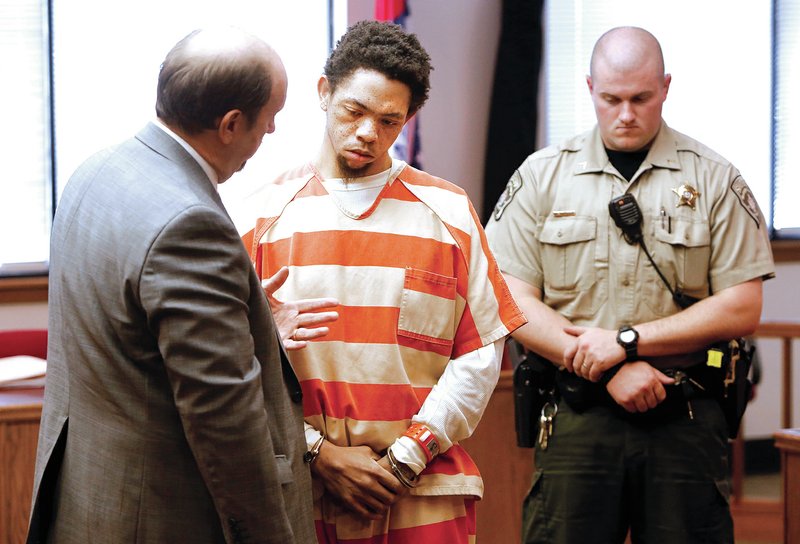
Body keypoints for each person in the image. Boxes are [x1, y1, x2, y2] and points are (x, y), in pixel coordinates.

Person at [27, 27, 319, 544]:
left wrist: (244, 328)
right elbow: (225, 426)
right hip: (163, 514)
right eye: (269, 120)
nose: (271, 133)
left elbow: (128, 334)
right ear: (230, 124)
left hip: (87, 495)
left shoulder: (97, 171)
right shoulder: (189, 224)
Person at [485, 26, 775, 543]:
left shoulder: (714, 179)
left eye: (641, 98)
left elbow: (741, 306)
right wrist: (601, 371)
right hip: (575, 414)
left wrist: (627, 345)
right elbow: (507, 295)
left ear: (665, 87)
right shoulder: (541, 177)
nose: (625, 114)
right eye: (611, 98)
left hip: (682, 412)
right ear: (590, 86)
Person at [240, 20, 526, 543]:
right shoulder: (258, 216)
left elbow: (480, 353)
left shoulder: (450, 212)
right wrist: (318, 453)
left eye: (390, 120)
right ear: (324, 93)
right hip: (300, 493)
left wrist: (405, 458)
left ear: (408, 120)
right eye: (355, 110)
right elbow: (234, 359)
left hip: (423, 494)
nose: (369, 132)